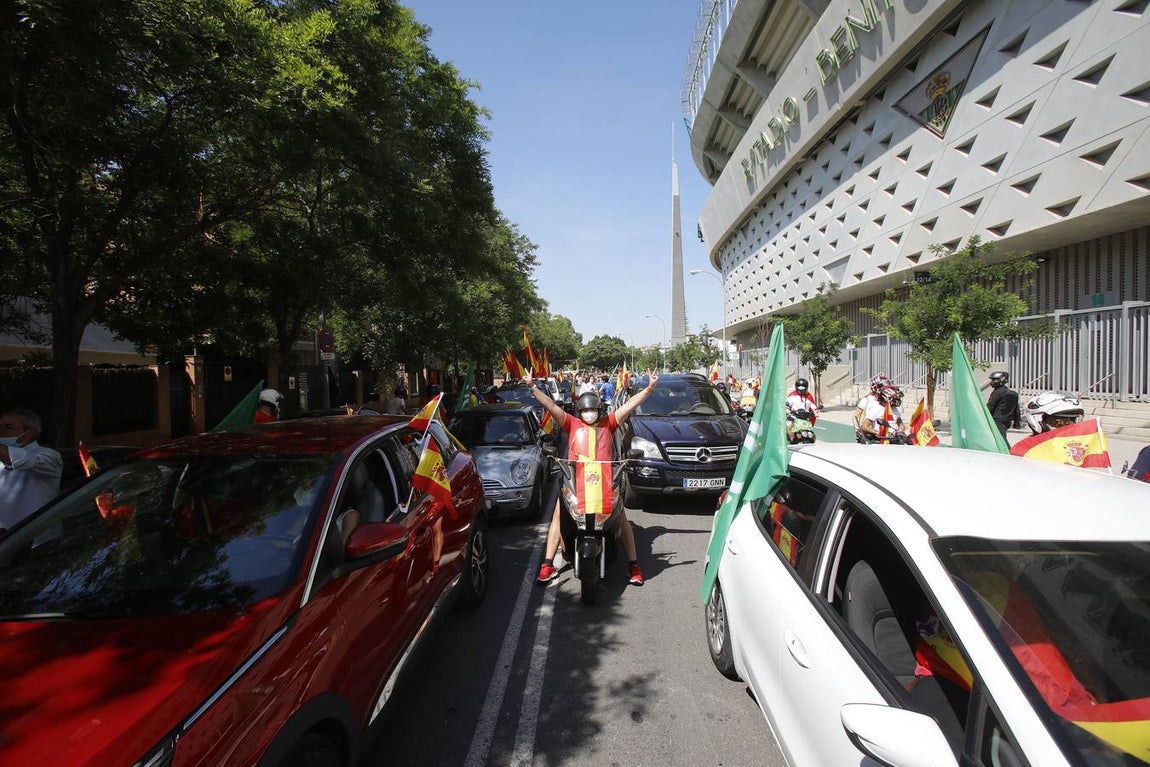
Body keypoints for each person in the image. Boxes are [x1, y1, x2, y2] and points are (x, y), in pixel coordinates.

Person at [525, 369, 660, 587]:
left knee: (621, 517)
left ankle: (634, 565)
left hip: (605, 483)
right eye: (585, 410)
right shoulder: (570, 423)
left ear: (599, 410)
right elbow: (551, 406)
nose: (589, 413)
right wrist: (532, 387)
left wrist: (649, 389)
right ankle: (547, 564)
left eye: (593, 410)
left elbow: (629, 405)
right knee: (558, 515)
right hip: (575, 482)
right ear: (579, 412)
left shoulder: (610, 423)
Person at [0, 408, 63, 531]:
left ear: (29, 433)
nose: (1, 431)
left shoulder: (49, 456)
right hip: (6, 539)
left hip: (38, 539)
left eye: (8, 427)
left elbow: (25, 461)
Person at [986, 371, 1021, 442]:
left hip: (996, 420)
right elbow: (1016, 409)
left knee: (1001, 440)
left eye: (995, 379)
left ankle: (1007, 449)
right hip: (1006, 421)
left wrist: (984, 416)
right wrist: (1017, 422)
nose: (992, 382)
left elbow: (991, 406)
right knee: (1001, 438)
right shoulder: (1013, 393)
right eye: (992, 379)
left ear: (1002, 380)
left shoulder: (997, 392)